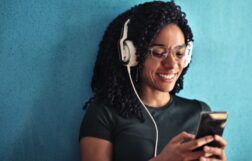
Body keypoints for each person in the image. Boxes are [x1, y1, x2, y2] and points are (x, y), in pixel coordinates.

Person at [79, 1, 227, 161]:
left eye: (179, 53)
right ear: (131, 55)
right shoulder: (104, 113)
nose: (171, 65)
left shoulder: (199, 112)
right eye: (158, 52)